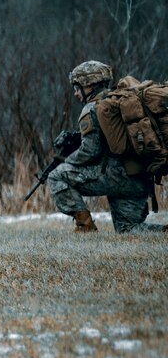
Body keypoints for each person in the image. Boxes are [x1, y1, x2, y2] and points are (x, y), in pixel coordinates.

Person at [47, 60, 164, 233]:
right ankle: (164, 232)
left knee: (57, 176)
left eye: (78, 88)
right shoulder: (119, 101)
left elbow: (90, 152)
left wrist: (65, 159)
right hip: (139, 178)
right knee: (128, 230)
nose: (76, 93)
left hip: (117, 178)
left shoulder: (92, 108)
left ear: (89, 86)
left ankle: (85, 227)